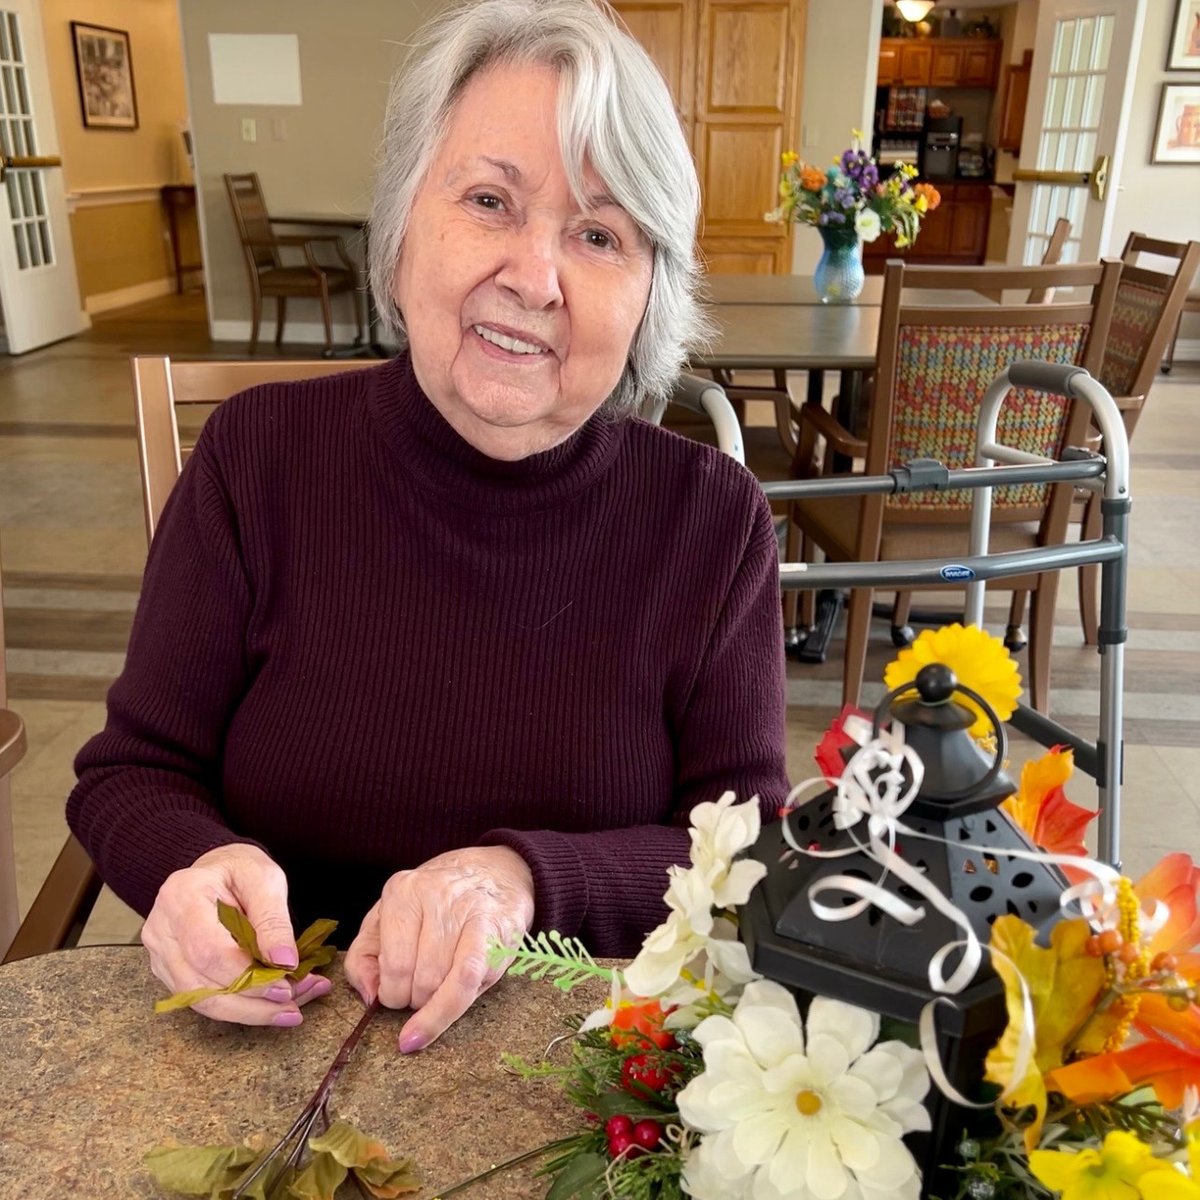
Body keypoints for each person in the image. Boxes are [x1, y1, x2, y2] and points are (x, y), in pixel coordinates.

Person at [67, 0, 788, 1052]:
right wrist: (189, 867)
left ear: (648, 295)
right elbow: (132, 771)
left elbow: (745, 852)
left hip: (577, 1076)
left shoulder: (711, 522)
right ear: (403, 225)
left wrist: (526, 880)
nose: (534, 278)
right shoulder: (256, 460)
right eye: (490, 200)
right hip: (270, 1047)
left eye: (598, 233)